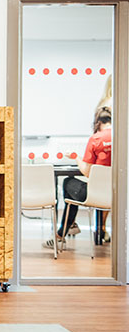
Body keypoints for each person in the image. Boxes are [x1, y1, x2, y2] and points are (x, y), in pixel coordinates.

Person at [44, 106, 111, 249]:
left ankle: (63, 232)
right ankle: (72, 227)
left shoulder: (96, 139)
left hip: (96, 194)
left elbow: (87, 172)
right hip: (117, 193)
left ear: (98, 122)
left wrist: (76, 157)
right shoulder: (121, 137)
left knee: (68, 182)